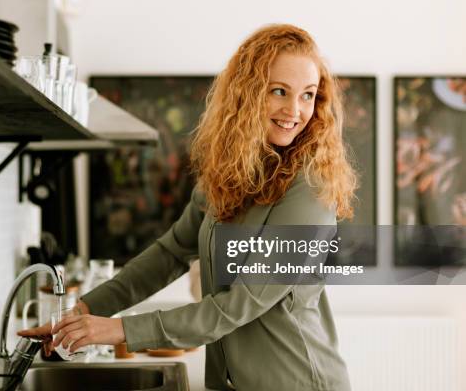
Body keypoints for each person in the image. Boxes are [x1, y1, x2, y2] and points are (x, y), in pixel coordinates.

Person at [19, 23, 357, 390]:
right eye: (279, 91)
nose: (295, 110)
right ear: (247, 94)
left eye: (308, 95)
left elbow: (238, 305)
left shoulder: (309, 189)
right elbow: (170, 253)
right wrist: (84, 309)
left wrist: (118, 330)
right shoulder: (230, 175)